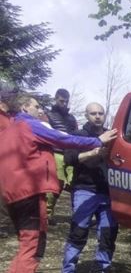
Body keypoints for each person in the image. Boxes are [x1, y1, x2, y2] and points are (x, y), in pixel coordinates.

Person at [0, 95, 117, 273]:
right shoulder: (28, 124)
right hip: (29, 191)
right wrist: (98, 141)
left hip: (12, 193)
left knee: (26, 244)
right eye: (36, 106)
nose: (40, 110)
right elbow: (63, 140)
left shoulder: (8, 129)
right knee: (34, 245)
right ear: (24, 107)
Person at [61, 103, 118, 273]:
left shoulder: (112, 135)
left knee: (109, 233)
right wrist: (92, 152)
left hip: (108, 191)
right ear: (86, 115)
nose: (97, 116)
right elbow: (69, 159)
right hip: (84, 189)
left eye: (101, 113)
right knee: (78, 232)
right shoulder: (79, 134)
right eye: (93, 113)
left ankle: (99, 271)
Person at [45, 88, 78, 221]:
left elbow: (76, 135)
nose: (64, 104)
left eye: (66, 101)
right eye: (61, 101)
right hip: (55, 153)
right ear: (56, 99)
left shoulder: (71, 118)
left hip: (71, 154)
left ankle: (78, 215)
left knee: (74, 184)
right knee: (54, 186)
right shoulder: (47, 115)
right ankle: (47, 215)